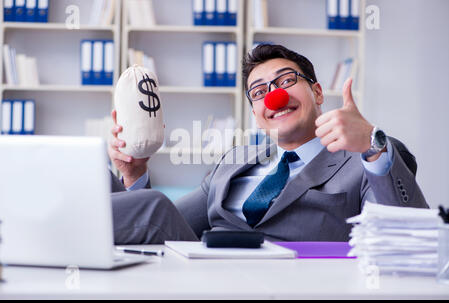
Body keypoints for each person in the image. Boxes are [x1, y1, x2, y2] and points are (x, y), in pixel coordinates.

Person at [108, 44, 428, 244]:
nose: (275, 97)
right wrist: (134, 175)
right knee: (112, 183)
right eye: (260, 92)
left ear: (317, 93)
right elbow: (158, 227)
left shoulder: (366, 158)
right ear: (256, 114)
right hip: (207, 282)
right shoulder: (233, 162)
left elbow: (406, 237)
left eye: (287, 81)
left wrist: (373, 144)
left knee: (151, 206)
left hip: (293, 285)